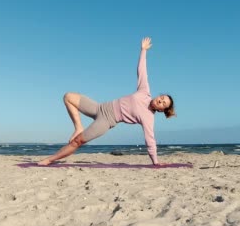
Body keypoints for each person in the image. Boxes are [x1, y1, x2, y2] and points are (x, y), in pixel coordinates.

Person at [38, 37, 175, 166]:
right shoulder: (145, 91)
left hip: (106, 121)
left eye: (163, 104)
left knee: (77, 141)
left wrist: (155, 161)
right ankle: (78, 126)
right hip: (99, 107)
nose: (160, 101)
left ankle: (49, 159)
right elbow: (142, 71)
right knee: (68, 96)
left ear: (161, 110)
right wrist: (143, 50)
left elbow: (150, 140)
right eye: (161, 98)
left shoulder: (148, 118)